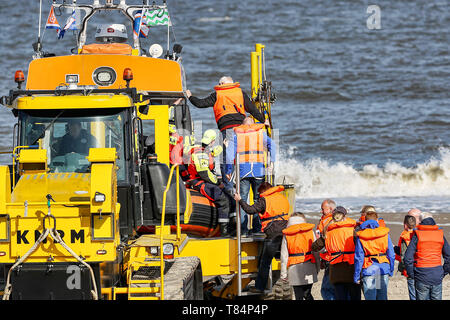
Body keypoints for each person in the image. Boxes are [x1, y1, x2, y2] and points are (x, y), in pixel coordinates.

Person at [186, 76, 268, 192]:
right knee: (242, 155)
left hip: (228, 130)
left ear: (222, 83)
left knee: (226, 159)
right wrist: (264, 120)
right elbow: (252, 109)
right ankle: (245, 182)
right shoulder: (240, 93)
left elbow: (200, 103)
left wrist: (190, 96)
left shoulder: (217, 95)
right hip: (242, 130)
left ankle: (228, 188)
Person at [234, 182, 290, 293]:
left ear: (264, 191)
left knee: (265, 262)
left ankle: (259, 287)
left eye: (260, 193)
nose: (259, 195)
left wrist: (239, 200)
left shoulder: (265, 200)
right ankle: (283, 282)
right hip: (285, 233)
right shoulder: (282, 197)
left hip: (273, 234)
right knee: (283, 259)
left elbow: (250, 210)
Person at [225, 117, 275, 236]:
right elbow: (272, 145)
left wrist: (228, 170)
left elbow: (229, 155)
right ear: (253, 124)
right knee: (259, 200)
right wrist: (271, 162)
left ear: (242, 125)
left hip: (243, 172)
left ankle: (243, 230)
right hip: (259, 171)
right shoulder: (260, 134)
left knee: (242, 199)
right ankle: (257, 228)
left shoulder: (237, 136)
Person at [182, 129, 232, 236]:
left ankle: (233, 225)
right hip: (199, 182)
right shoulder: (200, 153)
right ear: (213, 141)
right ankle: (224, 232)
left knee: (229, 195)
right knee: (223, 201)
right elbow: (204, 173)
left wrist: (222, 147)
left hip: (199, 180)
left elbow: (211, 154)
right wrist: (218, 183)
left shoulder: (203, 150)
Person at [313, 206, 360, 300]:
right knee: (354, 296)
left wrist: (325, 231)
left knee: (340, 296)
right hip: (352, 269)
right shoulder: (353, 230)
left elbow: (315, 247)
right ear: (345, 216)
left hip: (336, 271)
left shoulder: (328, 233)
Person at [404, 212, 450, 300]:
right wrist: (444, 271)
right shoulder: (440, 234)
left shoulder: (417, 235)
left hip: (421, 274)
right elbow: (448, 256)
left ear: (420, 221)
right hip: (436, 274)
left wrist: (412, 274)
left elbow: (408, 258)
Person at [353, 210, 395, 300]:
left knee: (371, 297)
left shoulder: (361, 236)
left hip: (369, 269)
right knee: (382, 297)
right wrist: (391, 269)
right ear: (377, 220)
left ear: (365, 221)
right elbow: (391, 254)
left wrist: (356, 276)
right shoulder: (385, 234)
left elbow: (359, 258)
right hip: (383, 268)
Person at [280, 212, 320, 300]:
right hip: (309, 265)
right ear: (303, 220)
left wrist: (283, 273)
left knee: (298, 296)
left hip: (294, 268)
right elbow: (315, 251)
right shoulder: (310, 231)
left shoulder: (287, 234)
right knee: (307, 293)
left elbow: (284, 256)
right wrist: (318, 266)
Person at [316, 199, 336, 300]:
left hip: (330, 258)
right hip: (336, 258)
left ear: (331, 209)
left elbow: (324, 242)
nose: (321, 211)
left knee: (326, 289)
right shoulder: (339, 220)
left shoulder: (328, 222)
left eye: (323, 209)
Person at [394, 215, 416, 300]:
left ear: (405, 225)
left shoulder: (405, 237)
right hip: (421, 268)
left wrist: (403, 268)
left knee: (413, 293)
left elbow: (403, 255)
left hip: (410, 269)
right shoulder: (419, 234)